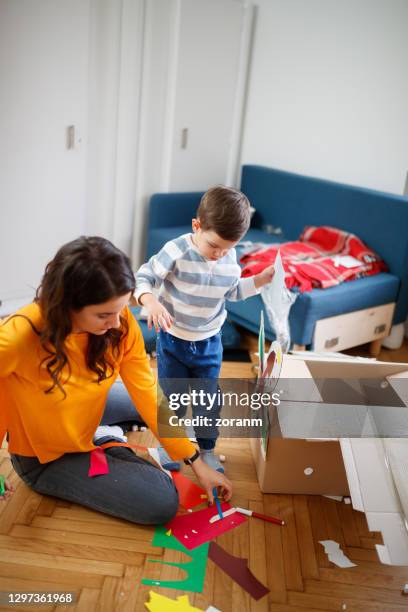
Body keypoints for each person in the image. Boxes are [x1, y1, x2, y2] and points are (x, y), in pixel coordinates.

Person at [0, 236, 231, 523]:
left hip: (84, 408)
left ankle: (103, 435)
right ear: (68, 305)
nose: (119, 323)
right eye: (104, 315)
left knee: (164, 403)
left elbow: (147, 391)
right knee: (162, 502)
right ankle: (107, 439)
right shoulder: (20, 334)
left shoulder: (119, 324)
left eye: (123, 308)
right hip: (46, 456)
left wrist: (195, 461)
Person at [136, 186, 275, 472]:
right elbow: (144, 275)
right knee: (172, 398)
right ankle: (169, 447)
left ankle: (207, 450)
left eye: (228, 247)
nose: (219, 254)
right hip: (173, 340)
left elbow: (233, 292)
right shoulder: (177, 249)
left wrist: (259, 281)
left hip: (209, 342)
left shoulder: (228, 256)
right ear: (196, 227)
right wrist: (149, 301)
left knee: (208, 400)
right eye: (214, 246)